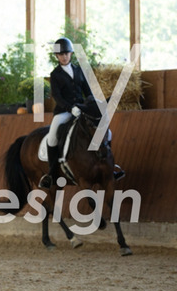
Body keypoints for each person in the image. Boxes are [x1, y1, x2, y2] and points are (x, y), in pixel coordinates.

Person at [39, 37, 124, 189]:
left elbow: (88, 92)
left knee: (107, 132)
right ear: (57, 56)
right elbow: (57, 96)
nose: (64, 57)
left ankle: (110, 166)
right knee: (52, 137)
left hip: (83, 109)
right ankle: (51, 173)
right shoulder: (55, 74)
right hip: (64, 112)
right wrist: (70, 108)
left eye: (66, 53)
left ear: (71, 54)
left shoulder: (79, 71)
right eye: (61, 54)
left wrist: (92, 104)